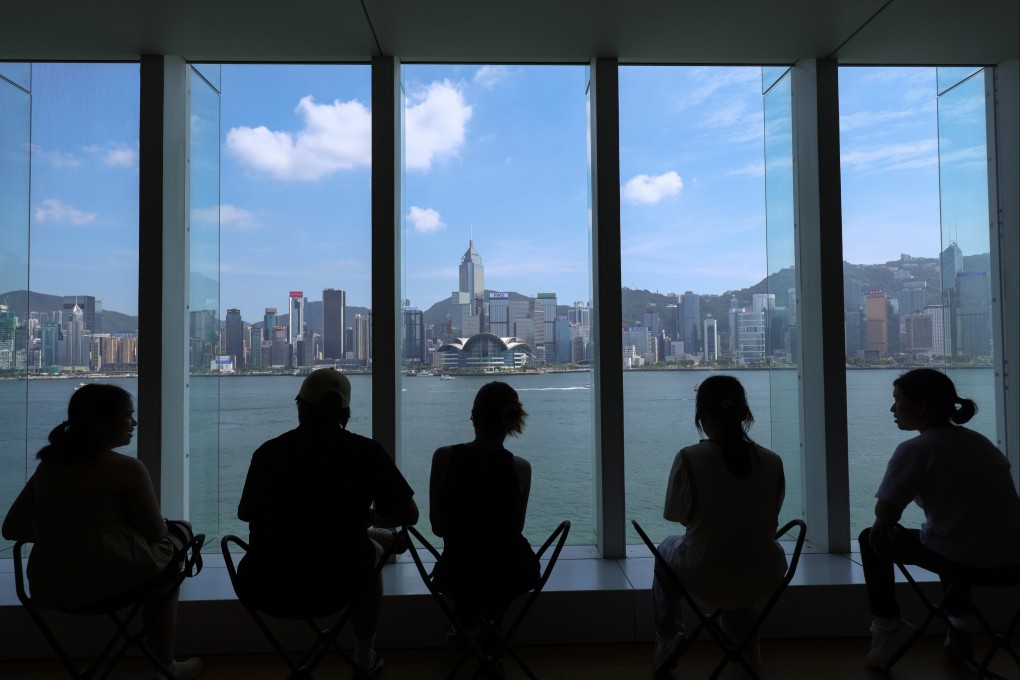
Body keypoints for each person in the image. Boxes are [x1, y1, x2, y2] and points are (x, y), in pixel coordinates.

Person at [1, 384, 201, 680]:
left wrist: (67, 533)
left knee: (166, 560)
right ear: (100, 423)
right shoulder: (127, 468)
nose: (134, 423)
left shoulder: (49, 466)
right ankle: (166, 667)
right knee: (180, 538)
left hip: (52, 586)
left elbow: (12, 528)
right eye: (128, 416)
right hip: (107, 583)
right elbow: (157, 533)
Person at [237, 368, 418, 678]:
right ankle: (364, 656)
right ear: (344, 411)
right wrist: (368, 516)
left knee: (362, 545)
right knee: (370, 553)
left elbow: (246, 513)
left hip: (266, 583)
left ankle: (371, 534)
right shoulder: (366, 452)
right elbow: (409, 514)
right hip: (339, 582)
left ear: (300, 407)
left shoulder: (267, 453)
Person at [860, 368, 1020, 669]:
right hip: (1012, 563)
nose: (892, 409)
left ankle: (886, 623)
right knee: (949, 535)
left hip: (966, 561)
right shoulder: (979, 442)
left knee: (872, 539)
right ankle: (959, 623)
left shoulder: (917, 448)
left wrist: (881, 528)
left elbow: (886, 512)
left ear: (920, 407)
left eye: (897, 401)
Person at [652, 375, 787, 677]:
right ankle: (747, 647)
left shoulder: (689, 458)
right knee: (740, 556)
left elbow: (676, 516)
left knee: (666, 550)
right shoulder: (773, 461)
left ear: (701, 414)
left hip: (706, 572)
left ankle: (668, 637)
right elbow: (769, 516)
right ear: (744, 413)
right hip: (765, 572)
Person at [428, 381, 540, 648]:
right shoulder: (521, 468)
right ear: (512, 421)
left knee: (471, 567)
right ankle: (489, 633)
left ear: (473, 416)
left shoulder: (444, 457)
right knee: (493, 567)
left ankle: (465, 627)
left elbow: (438, 528)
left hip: (457, 571)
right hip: (513, 571)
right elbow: (516, 527)